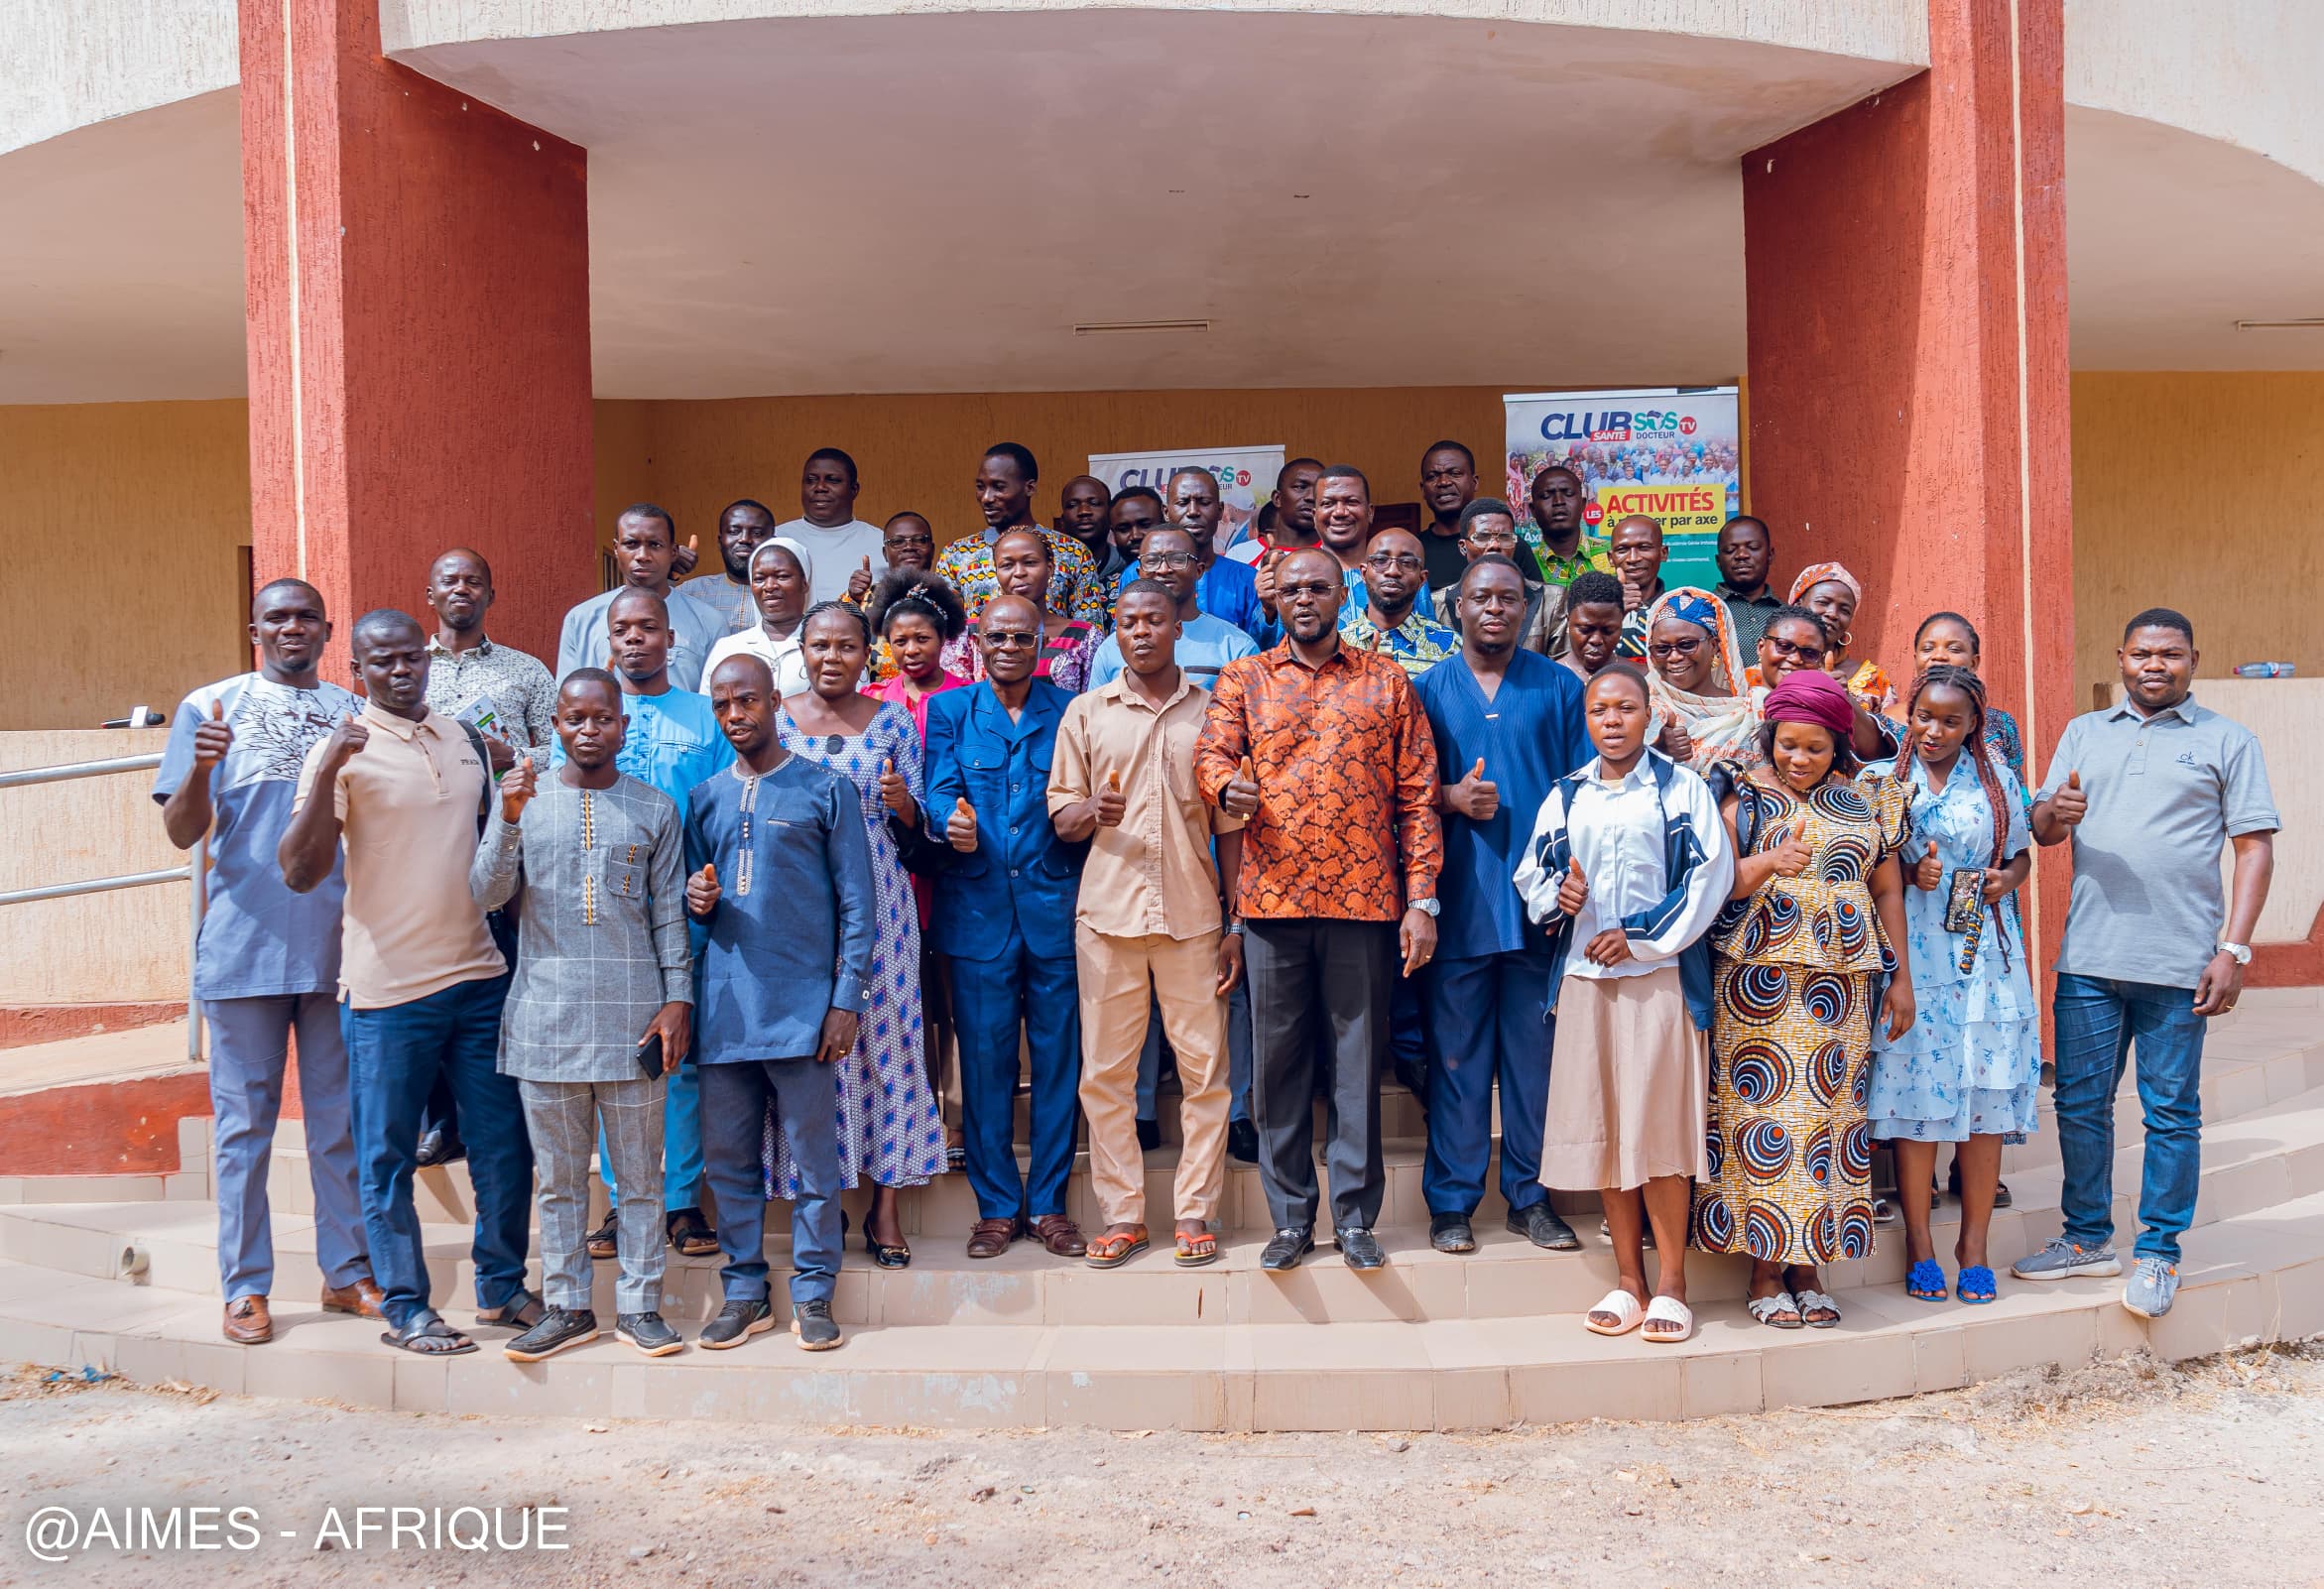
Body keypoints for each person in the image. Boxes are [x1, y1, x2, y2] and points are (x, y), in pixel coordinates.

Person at [277, 609, 534, 1357]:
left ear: (426, 659)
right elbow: (299, 872)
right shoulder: (341, 749)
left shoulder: (463, 739)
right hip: (388, 991)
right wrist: (330, 766)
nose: (399, 671)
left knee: (503, 1146)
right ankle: (407, 1307)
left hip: (479, 976)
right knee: (388, 1156)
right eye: (381, 661)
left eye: (409, 658)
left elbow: (496, 842)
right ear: (357, 670)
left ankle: (503, 1287)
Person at [2016, 608, 2277, 1319]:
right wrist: (2056, 812)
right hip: (2089, 958)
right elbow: (2042, 830)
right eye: (2141, 654)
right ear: (2121, 658)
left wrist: (2233, 949)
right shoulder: (2082, 732)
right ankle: (2085, 1239)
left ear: (2193, 660)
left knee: (2170, 1113)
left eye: (2170, 654)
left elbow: (2253, 848)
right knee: (2079, 1104)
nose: (2154, 665)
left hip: (2180, 961)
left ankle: (2159, 1252)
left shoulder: (2227, 740)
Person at [1194, 548, 1443, 1273]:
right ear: (1275, 599)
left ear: (1344, 593)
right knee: (1277, 1068)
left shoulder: (1386, 680)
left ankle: (1356, 1219)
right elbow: (1210, 755)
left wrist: (1421, 900)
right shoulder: (1245, 678)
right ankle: (1291, 1219)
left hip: (1364, 902)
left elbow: (1418, 798)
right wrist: (1225, 787)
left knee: (1357, 1066)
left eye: (1318, 587)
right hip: (1271, 902)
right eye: (1292, 589)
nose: (1304, 599)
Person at [156, 578, 379, 1345]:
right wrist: (198, 770)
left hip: (335, 951)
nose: (292, 628)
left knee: (338, 1124)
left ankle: (346, 1273)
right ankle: (246, 1287)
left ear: (327, 631)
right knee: (243, 1132)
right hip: (242, 951)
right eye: (276, 618)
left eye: (306, 617)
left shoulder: (355, 714)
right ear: (255, 631)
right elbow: (182, 833)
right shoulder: (209, 708)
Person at [471, 671, 693, 1360]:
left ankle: (640, 1306)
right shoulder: (525, 801)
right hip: (545, 1018)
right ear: (556, 727)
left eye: (603, 718)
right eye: (575, 719)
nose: (589, 730)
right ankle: (568, 1306)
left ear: (623, 726)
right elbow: (485, 893)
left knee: (640, 1180)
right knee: (561, 1182)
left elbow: (669, 916)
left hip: (635, 1021)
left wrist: (678, 1000)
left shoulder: (654, 808)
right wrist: (508, 820)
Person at [1516, 665, 1734, 1343]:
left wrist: (1636, 937)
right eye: (1599, 710)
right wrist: (1560, 897)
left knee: (1659, 1131)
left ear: (1650, 715)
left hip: (1658, 980)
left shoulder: (1681, 789)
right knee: (1608, 1128)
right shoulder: (1567, 795)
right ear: (1586, 721)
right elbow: (1533, 874)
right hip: (1586, 981)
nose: (1611, 721)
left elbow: (1709, 878)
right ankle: (1628, 1280)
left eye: (1625, 708)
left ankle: (1672, 1283)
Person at [1695, 668, 1913, 1330]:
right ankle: (1764, 1270)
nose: (1799, 758)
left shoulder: (1868, 799)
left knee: (1826, 1118)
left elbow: (1887, 890)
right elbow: (1716, 885)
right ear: (1770, 737)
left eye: (1815, 747)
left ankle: (1809, 1267)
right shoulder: (1740, 795)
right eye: (1788, 744)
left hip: (1841, 983)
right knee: (1763, 1118)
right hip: (1757, 983)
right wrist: (1767, 863)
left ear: (1838, 743)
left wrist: (1901, 978)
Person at [1049, 579, 1246, 1269]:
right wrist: (1091, 813)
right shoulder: (1086, 712)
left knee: (1205, 1074)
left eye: (1154, 619)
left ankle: (1194, 1211)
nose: (1141, 631)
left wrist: (1235, 922)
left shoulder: (1212, 713)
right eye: (1128, 621)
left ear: (1176, 628)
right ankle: (1123, 1215)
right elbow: (1062, 816)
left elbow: (1230, 828)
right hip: (1108, 918)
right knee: (1105, 1076)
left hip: (1194, 919)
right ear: (1115, 630)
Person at [683, 654, 876, 1352]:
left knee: (813, 1163)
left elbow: (859, 904)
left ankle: (814, 1291)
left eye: (747, 700)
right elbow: (692, 903)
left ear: (774, 703)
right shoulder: (705, 797)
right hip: (725, 1009)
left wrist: (846, 1000)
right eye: (722, 705)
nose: (735, 715)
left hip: (804, 1010)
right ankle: (744, 1292)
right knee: (729, 1163)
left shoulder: (825, 789)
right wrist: (696, 900)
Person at [1414, 556, 1588, 1253]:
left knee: (1532, 1065)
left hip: (1538, 911)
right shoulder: (1426, 690)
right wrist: (1448, 797)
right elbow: (1400, 792)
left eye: (1508, 598)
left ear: (1528, 608)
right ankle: (1451, 1203)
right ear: (1456, 606)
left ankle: (1529, 1197)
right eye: (1481, 597)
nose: (1494, 608)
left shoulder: (1558, 687)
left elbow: (1587, 791)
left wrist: (1575, 885)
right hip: (1458, 904)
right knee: (1456, 1063)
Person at [558, 587, 733, 1262]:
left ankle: (682, 1200)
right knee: (618, 1060)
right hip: (610, 915)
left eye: (648, 627)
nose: (635, 638)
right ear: (608, 641)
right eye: (623, 629)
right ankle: (620, 1200)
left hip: (688, 909)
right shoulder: (592, 715)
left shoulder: (703, 715)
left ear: (670, 638)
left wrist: (711, 886)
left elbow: (719, 811)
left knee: (678, 1061)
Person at [775, 603, 948, 1265]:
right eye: (819, 645)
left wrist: (904, 804)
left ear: (866, 652)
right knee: (810, 1048)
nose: (832, 658)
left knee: (887, 1043)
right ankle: (819, 1200)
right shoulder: (778, 720)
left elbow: (922, 821)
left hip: (880, 904)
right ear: (802, 651)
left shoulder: (892, 721)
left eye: (846, 646)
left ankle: (884, 1207)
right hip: (799, 903)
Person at [924, 593, 1090, 1260]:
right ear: (977, 642)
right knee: (985, 1064)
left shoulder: (1071, 709)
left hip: (1056, 911)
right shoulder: (950, 710)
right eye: (997, 637)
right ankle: (996, 1207)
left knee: (1057, 1063)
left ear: (1039, 646)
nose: (1010, 648)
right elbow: (939, 788)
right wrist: (948, 822)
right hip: (976, 913)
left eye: (1023, 638)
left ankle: (1048, 1205)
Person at [1870, 664, 2039, 1308]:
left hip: (1982, 952)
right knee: (1917, 1101)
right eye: (1924, 717)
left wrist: (2007, 880)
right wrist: (1906, 871)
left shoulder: (1995, 778)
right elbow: (1865, 864)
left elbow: (2020, 853)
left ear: (1973, 726)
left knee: (1984, 1101)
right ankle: (1920, 1246)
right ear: (1908, 716)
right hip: (1913, 950)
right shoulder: (1883, 779)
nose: (1934, 731)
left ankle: (1974, 1249)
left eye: (1950, 721)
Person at [865, 572, 973, 1168]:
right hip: (887, 871)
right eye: (900, 640)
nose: (911, 650)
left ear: (944, 639)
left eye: (922, 638)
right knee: (903, 1002)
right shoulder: (872, 700)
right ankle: (914, 1117)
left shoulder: (967, 696)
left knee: (951, 1003)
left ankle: (954, 1121)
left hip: (948, 868)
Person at [934, 442, 1108, 626]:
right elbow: (944, 631)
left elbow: (1089, 631)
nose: (986, 498)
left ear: (1030, 488)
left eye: (999, 487)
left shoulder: (1073, 552)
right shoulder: (956, 555)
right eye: (980, 487)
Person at [558, 505, 725, 692]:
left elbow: (720, 698)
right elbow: (567, 698)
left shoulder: (709, 622)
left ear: (673, 552)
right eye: (631, 544)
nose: (642, 556)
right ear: (616, 548)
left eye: (655, 545)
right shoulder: (581, 619)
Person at [420, 548, 557, 768]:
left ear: (490, 597)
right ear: (431, 596)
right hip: (428, 789)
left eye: (473, 582)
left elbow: (560, 750)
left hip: (505, 790)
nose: (461, 589)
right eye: (449, 581)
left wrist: (512, 757)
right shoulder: (409, 670)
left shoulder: (528, 669)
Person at [1088, 527, 1260, 690]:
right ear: (1139, 573)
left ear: (1199, 570)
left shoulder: (1236, 646)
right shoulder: (1112, 648)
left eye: (1177, 559)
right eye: (1152, 561)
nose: (1163, 570)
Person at [946, 528, 1102, 691]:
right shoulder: (968, 633)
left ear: (1050, 568)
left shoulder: (1084, 637)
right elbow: (957, 698)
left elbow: (1094, 701)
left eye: (1030, 562)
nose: (1019, 573)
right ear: (996, 572)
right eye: (1007, 565)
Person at [1430, 498, 1564, 657]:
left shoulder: (1552, 599)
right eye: (1482, 537)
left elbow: (1563, 666)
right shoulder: (1437, 604)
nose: (1494, 545)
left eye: (1505, 537)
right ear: (1463, 547)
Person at [1643, 586, 1755, 771]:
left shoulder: (1749, 711)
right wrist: (1657, 751)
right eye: (1662, 649)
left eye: (1687, 645)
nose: (1674, 657)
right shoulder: (1642, 708)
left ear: (1714, 646)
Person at [1910, 612, 2026, 784]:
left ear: (1974, 663)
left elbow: (2018, 790)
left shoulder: (2001, 724)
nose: (1939, 656)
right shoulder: (1888, 723)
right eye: (1928, 649)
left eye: (1954, 649)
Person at [1340, 526, 1461, 677]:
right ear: (1364, 574)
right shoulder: (1337, 645)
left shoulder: (1452, 647)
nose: (1393, 571)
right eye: (1380, 560)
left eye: (1407, 562)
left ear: (1421, 579)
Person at [704, 538, 814, 699]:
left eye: (782, 576)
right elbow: (708, 709)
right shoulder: (728, 649)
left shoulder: (825, 646)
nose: (769, 586)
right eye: (759, 579)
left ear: (804, 583)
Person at [773, 448, 887, 605]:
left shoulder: (882, 543)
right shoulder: (777, 540)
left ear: (854, 489)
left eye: (832, 480)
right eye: (811, 480)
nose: (820, 487)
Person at [1787, 562, 1896, 712]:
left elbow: (1892, 727)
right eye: (1823, 602)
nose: (1832, 614)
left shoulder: (1875, 681)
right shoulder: (1774, 668)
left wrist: (1846, 699)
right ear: (1798, 605)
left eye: (1844, 611)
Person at [673, 498, 776, 636]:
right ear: (720, 542)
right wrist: (666, 570)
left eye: (756, 533)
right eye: (734, 531)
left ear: (773, 542)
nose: (744, 539)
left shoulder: (785, 596)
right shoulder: (690, 592)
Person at [1526, 464, 1614, 588]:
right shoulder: (1524, 564)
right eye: (1546, 496)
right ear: (1533, 509)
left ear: (1583, 504)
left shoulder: (1613, 554)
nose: (1558, 501)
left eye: (1568, 493)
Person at [1224, 457, 1324, 565]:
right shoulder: (1239, 555)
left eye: (1319, 490)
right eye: (1300, 487)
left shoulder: (1336, 553)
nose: (1311, 497)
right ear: (1277, 498)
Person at [1713, 516, 1781, 656]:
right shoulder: (1703, 611)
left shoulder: (1786, 614)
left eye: (1753, 547)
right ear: (1719, 562)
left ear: (1770, 555)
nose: (1742, 555)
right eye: (1730, 550)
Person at [1607, 515, 1668, 661]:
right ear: (1610, 558)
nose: (1633, 558)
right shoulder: (1591, 609)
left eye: (1644, 548)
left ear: (1663, 553)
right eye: (1622, 550)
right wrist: (1611, 613)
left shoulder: (1678, 609)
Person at [1557, 570, 1627, 687]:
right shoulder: (1549, 680)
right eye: (1585, 630)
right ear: (1568, 622)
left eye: (1608, 631)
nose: (1596, 640)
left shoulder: (1642, 677)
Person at [1053, 474, 1122, 586]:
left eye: (1094, 503)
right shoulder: (1048, 571)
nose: (1084, 511)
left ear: (1110, 515)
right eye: (1072, 505)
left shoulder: (1130, 567)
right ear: (1062, 521)